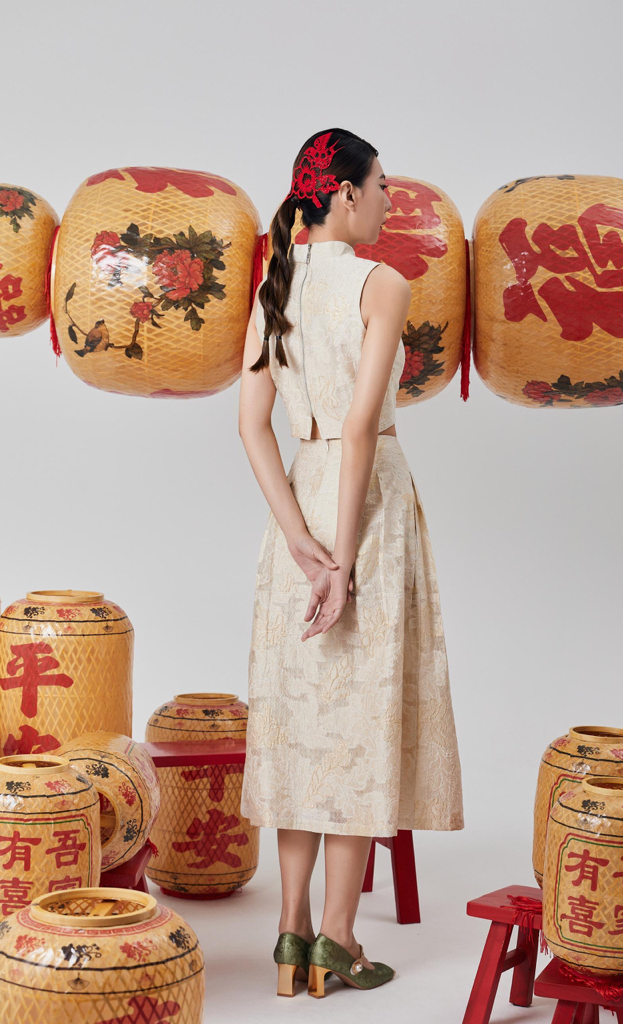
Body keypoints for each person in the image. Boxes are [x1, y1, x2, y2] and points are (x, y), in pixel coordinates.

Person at [238, 128, 463, 998]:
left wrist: (296, 536)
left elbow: (252, 424)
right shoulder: (381, 283)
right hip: (363, 507)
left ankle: (289, 934)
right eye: (382, 187)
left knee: (300, 727)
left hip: (299, 501)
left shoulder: (276, 284)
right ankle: (337, 937)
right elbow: (363, 425)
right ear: (343, 194)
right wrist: (339, 556)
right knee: (357, 726)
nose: (388, 202)